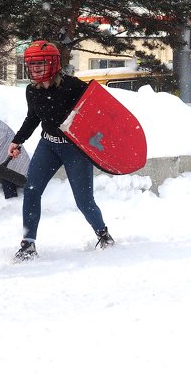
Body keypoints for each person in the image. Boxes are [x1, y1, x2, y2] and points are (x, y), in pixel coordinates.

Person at [8, 41, 113, 262]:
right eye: (32, 64)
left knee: (84, 200)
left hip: (75, 149)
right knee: (32, 190)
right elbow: (33, 117)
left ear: (54, 63)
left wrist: (97, 141)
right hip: (48, 145)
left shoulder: (73, 86)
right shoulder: (32, 90)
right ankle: (28, 244)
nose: (35, 68)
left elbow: (96, 112)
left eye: (40, 63)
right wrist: (18, 140)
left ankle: (103, 234)